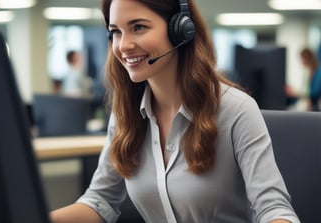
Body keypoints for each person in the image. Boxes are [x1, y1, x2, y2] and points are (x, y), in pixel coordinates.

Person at [51, 0, 300, 222]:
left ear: (181, 29)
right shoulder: (125, 113)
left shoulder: (235, 109)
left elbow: (274, 210)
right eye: (115, 32)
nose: (123, 45)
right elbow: (100, 201)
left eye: (138, 27)